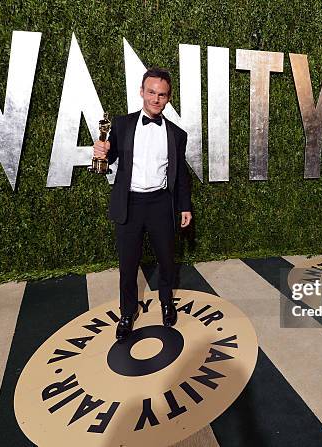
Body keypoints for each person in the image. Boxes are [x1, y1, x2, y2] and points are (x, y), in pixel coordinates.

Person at [93, 67, 192, 342]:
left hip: (161, 203)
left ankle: (166, 303)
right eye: (151, 92)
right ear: (141, 92)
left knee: (167, 261)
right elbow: (109, 159)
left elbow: (180, 173)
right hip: (131, 203)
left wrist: (184, 206)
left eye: (161, 95)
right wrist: (102, 151)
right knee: (128, 264)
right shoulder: (122, 125)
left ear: (168, 98)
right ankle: (127, 313)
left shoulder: (176, 134)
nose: (155, 99)